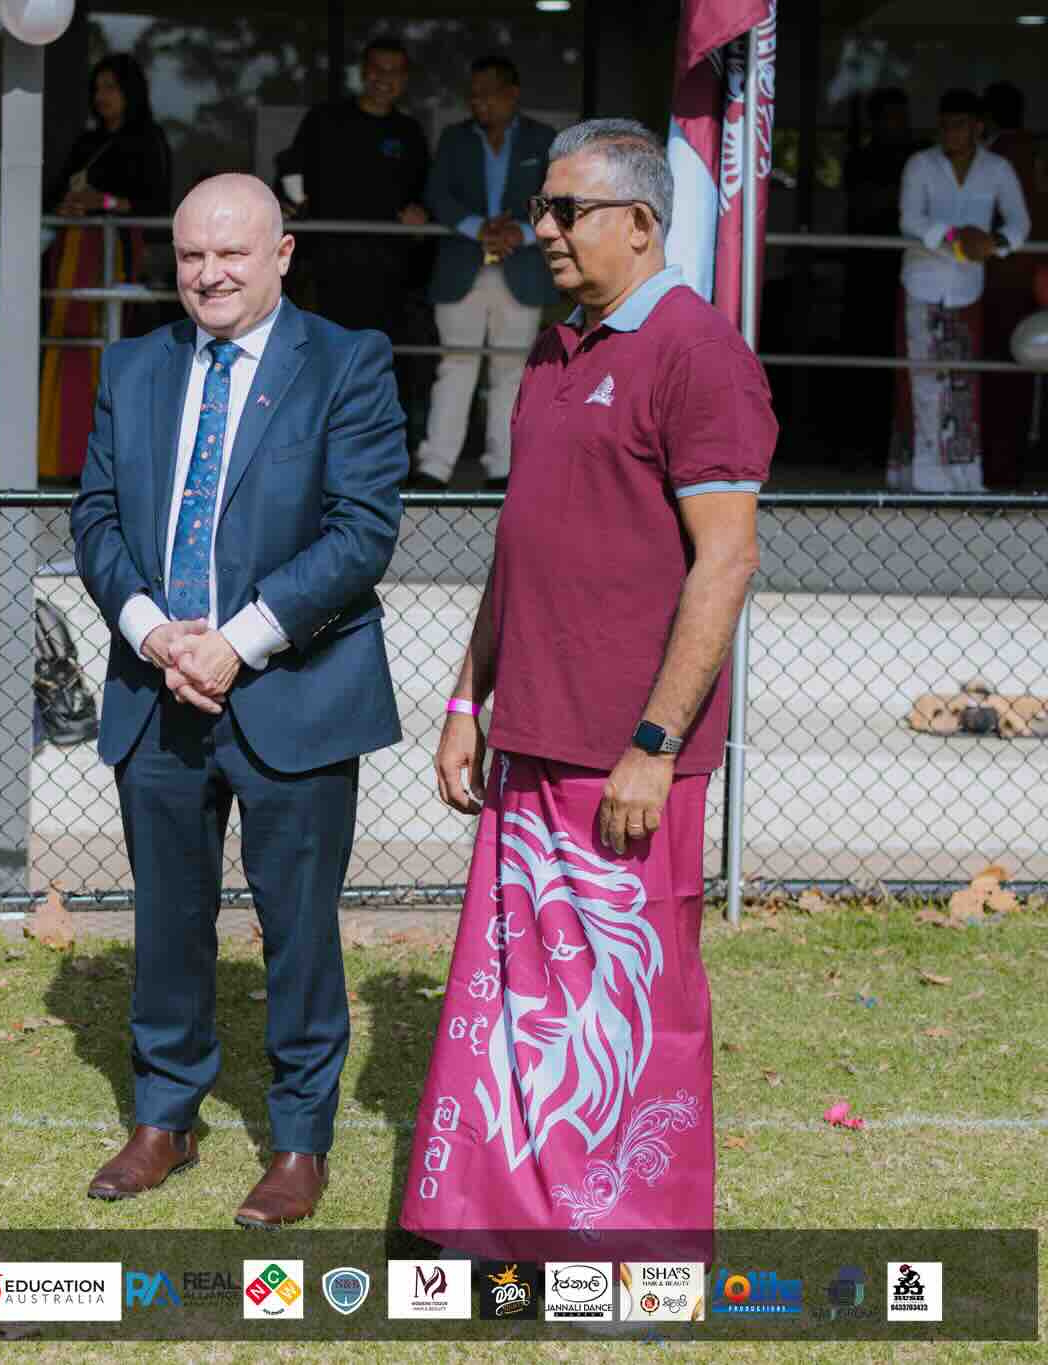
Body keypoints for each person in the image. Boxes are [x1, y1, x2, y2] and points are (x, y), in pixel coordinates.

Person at [402, 119, 776, 1260]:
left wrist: (654, 743)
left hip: (625, 763)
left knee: (631, 1013)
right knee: (515, 1010)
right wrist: (469, 704)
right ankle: (495, 1227)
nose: (544, 230)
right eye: (545, 208)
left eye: (567, 211)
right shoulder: (562, 349)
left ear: (640, 223)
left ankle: (633, 1248)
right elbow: (519, 550)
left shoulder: (695, 351)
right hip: (526, 744)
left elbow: (727, 559)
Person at [70, 173, 407, 1227]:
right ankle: (163, 1117)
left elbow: (361, 532)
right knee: (165, 921)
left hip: (292, 692)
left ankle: (298, 1139)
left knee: (296, 928)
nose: (207, 275)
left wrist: (238, 643)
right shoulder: (134, 365)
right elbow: (93, 517)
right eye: (188, 257)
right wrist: (149, 629)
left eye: (231, 255)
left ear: (281, 254)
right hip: (154, 686)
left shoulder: (347, 361)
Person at [409, 57, 555, 492]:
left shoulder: (542, 139)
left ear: (512, 93)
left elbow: (557, 196)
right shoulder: (455, 138)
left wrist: (521, 233)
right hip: (463, 264)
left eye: (488, 92)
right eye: (473, 93)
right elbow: (437, 193)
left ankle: (503, 469)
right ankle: (435, 467)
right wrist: (479, 228)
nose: (479, 101)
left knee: (511, 371)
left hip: (521, 265)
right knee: (456, 364)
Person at [39, 54, 173, 481]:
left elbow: (156, 204)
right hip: (73, 255)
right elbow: (53, 193)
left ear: (131, 91)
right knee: (70, 347)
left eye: (111, 87)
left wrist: (106, 203)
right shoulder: (86, 142)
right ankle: (62, 457)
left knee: (112, 350)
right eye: (97, 89)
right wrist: (65, 205)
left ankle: (112, 462)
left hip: (117, 254)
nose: (102, 97)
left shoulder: (147, 139)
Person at [890, 89, 1030, 493]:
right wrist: (954, 237)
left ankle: (964, 480)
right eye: (945, 125)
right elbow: (910, 219)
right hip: (921, 284)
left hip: (967, 289)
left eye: (959, 125)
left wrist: (995, 243)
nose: (951, 132)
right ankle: (918, 479)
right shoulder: (921, 164)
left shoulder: (998, 169)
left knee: (961, 384)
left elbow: (1019, 224)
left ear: (977, 127)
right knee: (921, 379)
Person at [275, 38, 430, 371]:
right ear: (363, 72)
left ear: (405, 79)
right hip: (327, 267)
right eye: (377, 69)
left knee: (375, 363)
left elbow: (424, 197)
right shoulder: (325, 120)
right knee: (320, 361)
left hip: (388, 273)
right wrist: (291, 205)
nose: (384, 78)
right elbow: (290, 172)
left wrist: (421, 215)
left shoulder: (409, 133)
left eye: (394, 71)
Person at [842, 88, 916, 464]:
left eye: (902, 116)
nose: (899, 124)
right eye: (892, 116)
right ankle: (859, 445)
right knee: (864, 356)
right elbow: (865, 203)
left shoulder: (917, 156)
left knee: (904, 357)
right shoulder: (863, 158)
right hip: (867, 270)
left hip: (909, 270)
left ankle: (898, 446)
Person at [980, 81, 1043, 488]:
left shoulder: (997, 158)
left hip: (1003, 277)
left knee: (1000, 375)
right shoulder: (1035, 152)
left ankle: (1001, 466)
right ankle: (1017, 460)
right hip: (1038, 275)